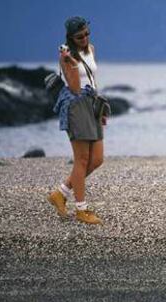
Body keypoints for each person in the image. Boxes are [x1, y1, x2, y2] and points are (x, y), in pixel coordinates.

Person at [47, 16, 106, 224]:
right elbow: (73, 87)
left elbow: (92, 79)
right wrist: (71, 63)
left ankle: (60, 193)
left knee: (97, 159)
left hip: (91, 104)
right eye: (80, 36)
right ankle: (82, 210)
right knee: (81, 159)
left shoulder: (91, 49)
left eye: (87, 33)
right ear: (70, 37)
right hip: (75, 106)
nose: (85, 38)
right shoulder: (66, 56)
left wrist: (100, 107)